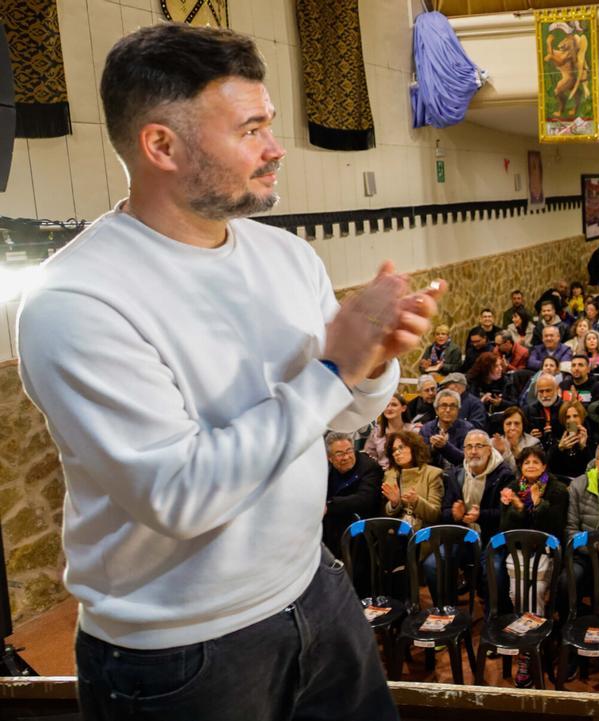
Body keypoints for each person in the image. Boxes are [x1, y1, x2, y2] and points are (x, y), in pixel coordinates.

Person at [17, 24, 442, 719]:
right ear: (161, 145)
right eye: (250, 130)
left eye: (269, 123)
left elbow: (328, 416)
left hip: (313, 585)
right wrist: (335, 366)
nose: (276, 148)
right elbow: (181, 495)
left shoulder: (286, 257)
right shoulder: (77, 300)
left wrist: (370, 366)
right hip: (181, 647)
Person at [323, 433, 385, 553]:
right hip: (330, 524)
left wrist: (329, 505)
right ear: (329, 458)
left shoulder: (369, 467)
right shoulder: (325, 468)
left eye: (349, 451)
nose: (346, 457)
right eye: (339, 454)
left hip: (361, 527)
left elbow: (364, 500)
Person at [381, 430, 444, 531]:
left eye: (401, 447)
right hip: (395, 535)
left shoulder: (432, 474)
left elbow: (436, 515)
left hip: (422, 535)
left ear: (414, 448)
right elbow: (383, 513)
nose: (396, 453)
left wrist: (416, 501)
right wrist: (394, 504)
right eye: (393, 450)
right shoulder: (390, 475)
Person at [421, 388, 474, 470]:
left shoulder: (468, 429)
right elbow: (420, 457)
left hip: (459, 475)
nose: (448, 410)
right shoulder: (426, 429)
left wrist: (445, 446)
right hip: (432, 474)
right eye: (444, 406)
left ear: (458, 410)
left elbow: (466, 459)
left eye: (452, 406)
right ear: (436, 410)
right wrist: (433, 448)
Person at [363, 391, 405, 469]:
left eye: (394, 405)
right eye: (386, 405)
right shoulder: (376, 432)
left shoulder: (414, 430)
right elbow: (369, 457)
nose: (389, 408)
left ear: (403, 408)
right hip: (382, 473)